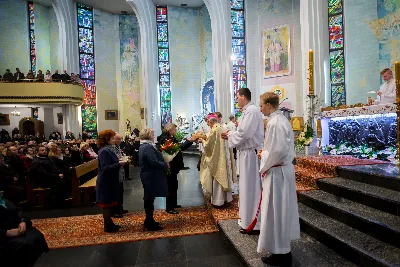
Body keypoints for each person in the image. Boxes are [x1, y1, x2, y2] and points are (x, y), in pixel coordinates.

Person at [257, 92, 300, 266]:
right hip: (280, 171)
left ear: (268, 105)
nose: (260, 108)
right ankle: (278, 250)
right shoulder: (280, 120)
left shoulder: (275, 123)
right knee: (276, 212)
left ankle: (282, 254)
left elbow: (278, 150)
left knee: (278, 212)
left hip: (278, 174)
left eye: (261, 105)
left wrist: (263, 156)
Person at [221, 88, 264, 235]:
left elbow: (245, 133)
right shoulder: (247, 111)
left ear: (244, 97)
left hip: (250, 155)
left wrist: (230, 134)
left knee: (250, 189)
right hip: (245, 154)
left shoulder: (251, 111)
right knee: (245, 188)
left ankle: (254, 223)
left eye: (237, 97)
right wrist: (232, 134)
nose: (236, 99)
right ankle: (247, 220)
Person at [0, 195, 49, 266]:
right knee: (24, 244)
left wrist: (23, 221)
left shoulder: (4, 200)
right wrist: (7, 232)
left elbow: (18, 211)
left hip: (16, 227)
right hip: (3, 235)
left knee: (36, 237)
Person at [198, 114, 236, 206]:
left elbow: (208, 145)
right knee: (224, 175)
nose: (208, 125)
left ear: (210, 122)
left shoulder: (215, 129)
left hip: (218, 157)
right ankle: (226, 198)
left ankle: (218, 200)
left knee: (217, 177)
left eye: (208, 124)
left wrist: (202, 141)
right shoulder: (221, 127)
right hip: (224, 155)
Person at [157, 123, 195, 214]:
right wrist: (189, 141)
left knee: (174, 184)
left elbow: (177, 148)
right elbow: (177, 148)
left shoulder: (169, 137)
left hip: (173, 165)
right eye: (175, 129)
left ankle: (173, 203)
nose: (176, 131)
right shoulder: (165, 138)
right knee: (170, 185)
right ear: (170, 130)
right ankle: (169, 207)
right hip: (170, 165)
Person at [96, 130, 127, 233]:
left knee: (109, 203)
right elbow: (105, 168)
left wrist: (118, 162)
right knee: (106, 204)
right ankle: (107, 225)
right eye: (112, 138)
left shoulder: (108, 150)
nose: (114, 140)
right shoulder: (104, 151)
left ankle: (110, 223)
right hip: (106, 181)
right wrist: (120, 164)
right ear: (106, 139)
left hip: (110, 180)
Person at [139, 128, 169, 231]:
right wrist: (165, 164)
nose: (154, 136)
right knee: (149, 199)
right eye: (152, 134)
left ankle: (149, 220)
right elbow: (153, 162)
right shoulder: (147, 147)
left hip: (148, 175)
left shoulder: (145, 146)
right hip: (150, 176)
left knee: (149, 198)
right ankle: (149, 222)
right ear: (148, 135)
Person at [110, 134, 128, 217]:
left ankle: (120, 208)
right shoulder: (112, 148)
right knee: (116, 192)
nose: (121, 141)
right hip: (115, 172)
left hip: (120, 171)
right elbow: (114, 159)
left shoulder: (118, 147)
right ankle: (116, 210)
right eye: (119, 139)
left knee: (121, 191)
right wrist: (121, 160)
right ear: (114, 139)